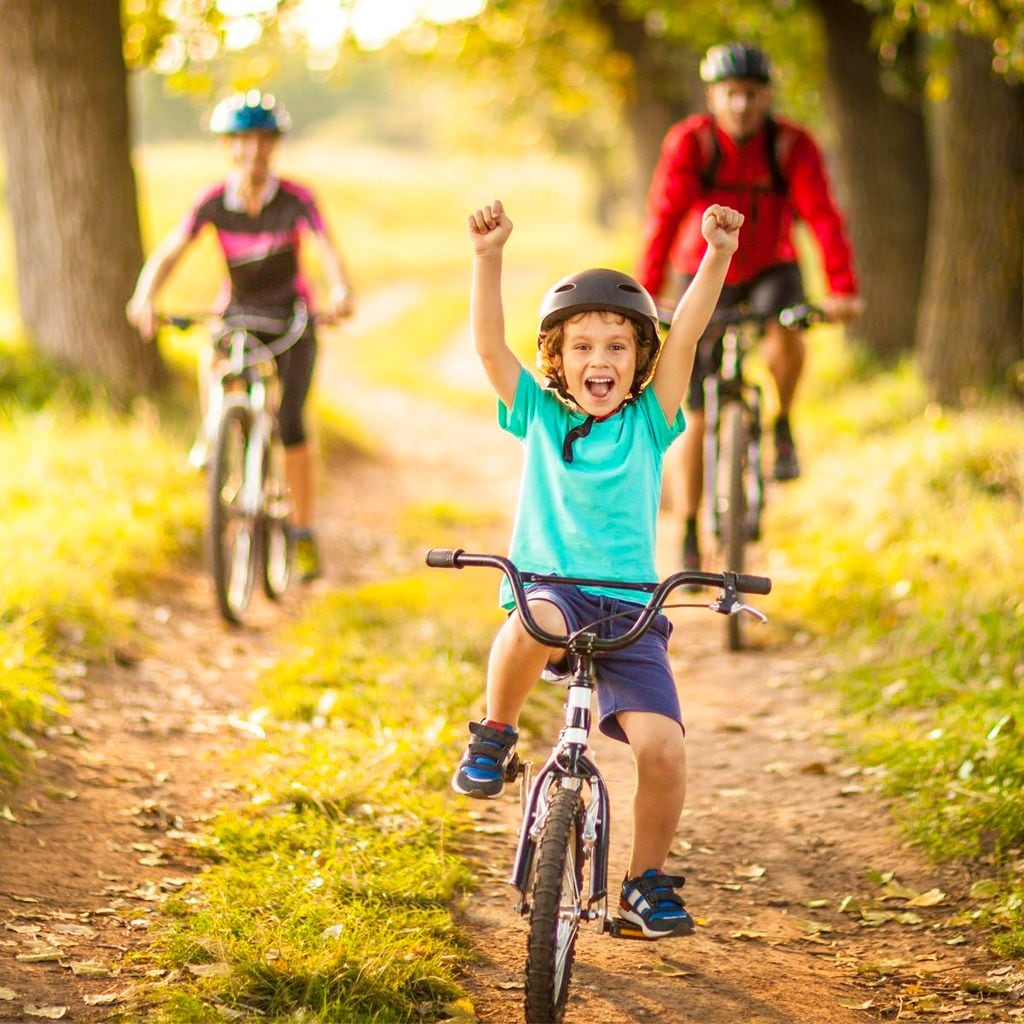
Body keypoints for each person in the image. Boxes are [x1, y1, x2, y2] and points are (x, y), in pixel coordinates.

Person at [452, 198, 744, 938]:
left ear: (639, 361)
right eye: (582, 347)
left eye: (617, 347)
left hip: (633, 613)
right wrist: (488, 259)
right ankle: (495, 733)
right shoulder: (542, 419)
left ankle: (644, 882)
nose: (600, 362)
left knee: (664, 749)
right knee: (533, 618)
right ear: (558, 360)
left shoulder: (652, 420)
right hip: (553, 590)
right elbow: (490, 350)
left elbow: (690, 335)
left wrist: (716, 254)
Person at [638, 42, 861, 573]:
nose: (742, 105)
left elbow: (823, 216)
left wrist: (842, 287)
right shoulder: (690, 143)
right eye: (732, 94)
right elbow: (663, 216)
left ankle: (782, 423)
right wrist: (645, 293)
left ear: (767, 97)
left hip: (770, 268)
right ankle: (689, 534)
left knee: (789, 330)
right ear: (713, 96)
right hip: (705, 271)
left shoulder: (791, 146)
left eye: (753, 95)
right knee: (690, 414)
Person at [126, 90, 355, 582]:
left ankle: (304, 532)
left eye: (263, 141)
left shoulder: (296, 199)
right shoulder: (212, 201)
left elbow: (326, 248)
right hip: (240, 313)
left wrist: (339, 291)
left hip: (292, 318)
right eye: (243, 141)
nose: (253, 151)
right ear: (228, 146)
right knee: (216, 348)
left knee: (292, 423)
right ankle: (215, 432)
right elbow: (170, 251)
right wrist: (146, 295)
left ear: (274, 145)